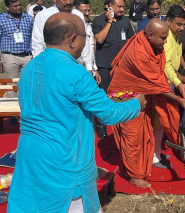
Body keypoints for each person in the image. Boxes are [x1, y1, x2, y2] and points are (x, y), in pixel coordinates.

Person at [7, 12, 145, 213]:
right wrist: (135, 104)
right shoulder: (76, 72)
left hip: (31, 157)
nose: (86, 42)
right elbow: (108, 114)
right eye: (85, 37)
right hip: (65, 161)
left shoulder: (30, 68)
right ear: (73, 40)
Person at [108, 18, 185, 188]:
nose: (165, 42)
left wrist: (180, 80)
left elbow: (159, 76)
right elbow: (157, 84)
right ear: (150, 35)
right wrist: (177, 99)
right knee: (133, 138)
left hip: (143, 96)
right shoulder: (138, 53)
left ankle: (142, 167)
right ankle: (134, 175)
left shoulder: (150, 44)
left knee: (146, 134)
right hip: (126, 99)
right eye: (163, 38)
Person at [153, 4, 185, 169]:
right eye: (178, 24)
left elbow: (173, 66)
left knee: (163, 121)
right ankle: (154, 156)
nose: (181, 28)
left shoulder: (174, 37)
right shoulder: (165, 38)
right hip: (161, 85)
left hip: (169, 83)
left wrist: (181, 78)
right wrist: (178, 84)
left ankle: (158, 151)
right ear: (168, 21)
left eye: (183, 25)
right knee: (158, 120)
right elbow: (165, 66)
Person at [92, 0, 134, 137]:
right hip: (104, 65)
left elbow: (130, 41)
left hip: (122, 66)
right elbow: (99, 39)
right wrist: (109, 22)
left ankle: (121, 122)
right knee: (104, 96)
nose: (122, 9)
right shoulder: (98, 20)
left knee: (122, 95)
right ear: (110, 6)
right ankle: (102, 124)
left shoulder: (126, 21)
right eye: (119, 7)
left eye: (123, 6)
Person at [0, 0, 33, 81]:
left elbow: (34, 37)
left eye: (20, 5)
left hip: (27, 57)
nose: (19, 7)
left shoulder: (28, 18)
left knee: (29, 83)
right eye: (15, 6)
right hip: (10, 57)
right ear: (7, 7)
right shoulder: (1, 19)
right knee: (12, 85)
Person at [74, 0, 101, 84]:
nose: (87, 13)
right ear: (75, 9)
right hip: (76, 71)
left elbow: (90, 50)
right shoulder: (70, 28)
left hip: (88, 70)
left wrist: (94, 69)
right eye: (84, 11)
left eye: (89, 11)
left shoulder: (88, 26)